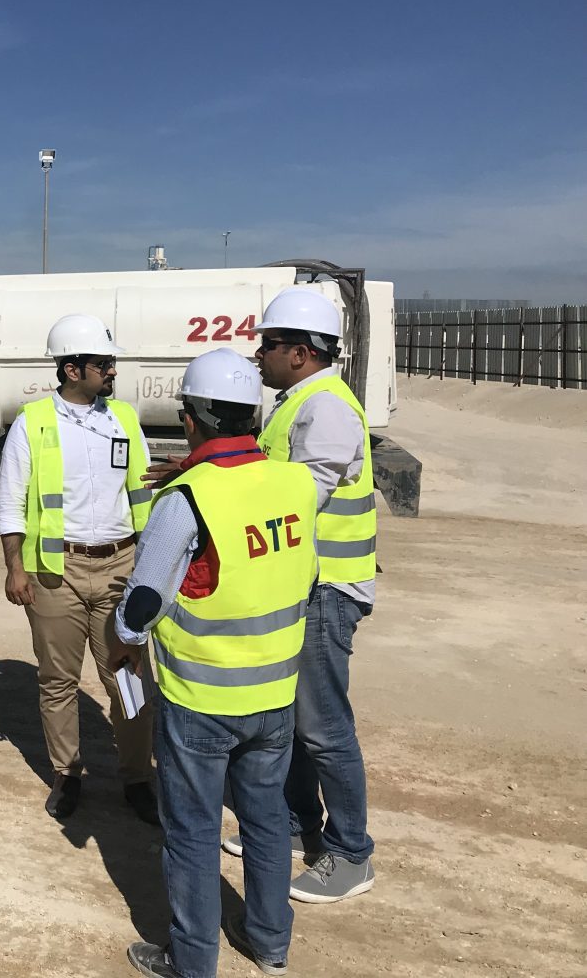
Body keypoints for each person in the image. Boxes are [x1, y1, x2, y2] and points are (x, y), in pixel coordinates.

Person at [110, 349, 319, 978]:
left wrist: (123, 635)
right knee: (266, 822)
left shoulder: (186, 499)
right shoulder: (294, 483)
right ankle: (270, 942)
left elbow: (142, 606)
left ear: (191, 418)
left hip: (202, 701)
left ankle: (193, 960)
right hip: (275, 695)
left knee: (194, 832)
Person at [227, 288, 376, 904]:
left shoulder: (328, 409)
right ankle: (296, 824)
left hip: (326, 591)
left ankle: (350, 854)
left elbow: (300, 497)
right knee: (293, 722)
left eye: (268, 345)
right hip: (301, 585)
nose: (258, 356)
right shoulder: (297, 404)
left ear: (300, 352)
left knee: (324, 728)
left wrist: (222, 497)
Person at [0, 313, 159, 824]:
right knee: (58, 681)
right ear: (72, 369)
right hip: (55, 572)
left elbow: (144, 493)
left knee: (129, 679)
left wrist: (150, 568)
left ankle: (138, 777)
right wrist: (14, 567)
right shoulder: (33, 422)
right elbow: (10, 500)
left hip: (120, 567)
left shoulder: (124, 419)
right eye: (103, 363)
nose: (112, 371)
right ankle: (66, 774)